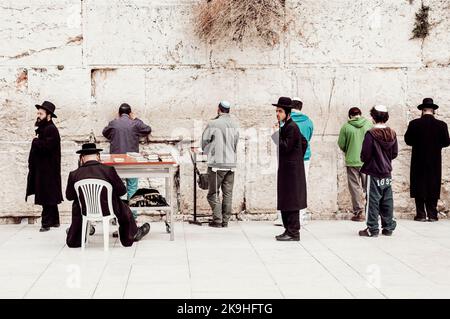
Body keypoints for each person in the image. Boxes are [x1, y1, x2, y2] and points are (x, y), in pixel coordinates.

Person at [65, 143, 150, 248]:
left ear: (82, 158)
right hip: (108, 209)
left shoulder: (74, 174)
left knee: (77, 203)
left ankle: (76, 235)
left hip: (86, 210)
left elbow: (69, 196)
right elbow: (122, 191)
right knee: (121, 204)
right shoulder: (108, 170)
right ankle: (131, 234)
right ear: (98, 156)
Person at [102, 103, 152, 221]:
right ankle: (131, 217)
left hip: (116, 163)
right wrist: (136, 118)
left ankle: (117, 216)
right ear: (130, 113)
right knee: (132, 188)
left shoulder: (114, 123)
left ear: (119, 113)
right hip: (132, 161)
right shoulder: (135, 123)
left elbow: (105, 132)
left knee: (116, 188)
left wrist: (116, 121)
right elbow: (148, 129)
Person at [405, 98, 450, 222]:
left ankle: (420, 214)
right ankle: (432, 214)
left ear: (422, 111)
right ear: (433, 111)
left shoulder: (414, 124)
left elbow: (408, 140)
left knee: (418, 184)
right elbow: (447, 142)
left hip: (418, 160)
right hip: (434, 161)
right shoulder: (442, 125)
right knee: (433, 184)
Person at [271, 97, 307, 241]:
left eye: (280, 111)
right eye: (276, 111)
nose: (277, 114)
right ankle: (288, 230)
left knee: (291, 201)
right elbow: (303, 142)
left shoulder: (291, 127)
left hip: (291, 172)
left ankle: (293, 232)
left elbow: (285, 147)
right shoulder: (287, 126)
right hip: (288, 170)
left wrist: (275, 133)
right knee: (286, 199)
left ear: (287, 113)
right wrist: (297, 157)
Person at [359, 105, 398, 237]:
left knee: (373, 200)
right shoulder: (392, 133)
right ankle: (388, 227)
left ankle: (372, 228)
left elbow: (365, 155)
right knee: (387, 200)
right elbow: (394, 153)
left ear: (373, 117)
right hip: (387, 171)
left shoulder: (371, 134)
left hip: (374, 171)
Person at [26, 101, 63, 232]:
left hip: (48, 170)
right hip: (45, 169)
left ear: (49, 116)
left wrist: (35, 141)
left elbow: (46, 147)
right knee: (49, 194)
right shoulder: (45, 128)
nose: (38, 115)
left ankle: (46, 223)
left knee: (47, 196)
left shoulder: (51, 129)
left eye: (41, 113)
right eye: (38, 113)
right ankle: (55, 221)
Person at [201, 101, 240, 228]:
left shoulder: (213, 123)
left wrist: (208, 152)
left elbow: (204, 142)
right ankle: (225, 221)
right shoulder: (234, 125)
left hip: (217, 165)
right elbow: (235, 144)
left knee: (213, 193)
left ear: (218, 109)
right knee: (228, 194)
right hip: (231, 164)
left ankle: (217, 219)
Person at [337, 107, 373, 221]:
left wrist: (349, 150)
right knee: (368, 186)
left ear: (349, 116)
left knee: (355, 187)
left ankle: (359, 212)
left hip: (352, 160)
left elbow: (341, 144)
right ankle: (371, 210)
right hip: (367, 161)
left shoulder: (346, 127)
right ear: (360, 114)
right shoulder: (368, 124)